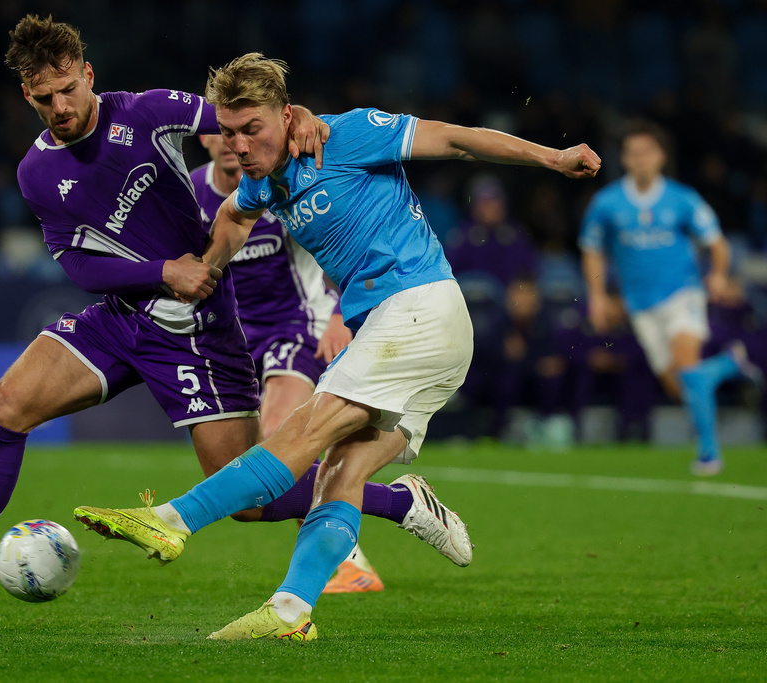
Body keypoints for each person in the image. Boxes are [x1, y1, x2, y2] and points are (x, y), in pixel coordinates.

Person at [0, 16, 425, 624]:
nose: (59, 106)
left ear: (89, 76)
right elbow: (79, 261)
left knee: (248, 496)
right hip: (121, 317)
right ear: (27, 97)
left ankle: (397, 501)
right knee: (2, 407)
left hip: (196, 330)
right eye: (44, 98)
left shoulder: (147, 112)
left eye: (67, 90)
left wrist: (304, 114)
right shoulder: (36, 173)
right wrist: (162, 271)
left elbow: (245, 119)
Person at [74, 52, 601, 641]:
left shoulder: (346, 134)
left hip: (419, 308)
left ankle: (171, 519)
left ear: (286, 116)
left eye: (253, 129)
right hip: (400, 329)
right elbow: (232, 215)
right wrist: (211, 267)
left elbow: (454, 140)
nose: (241, 145)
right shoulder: (262, 181)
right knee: (340, 473)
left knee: (301, 435)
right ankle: (291, 613)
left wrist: (551, 157)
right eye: (228, 132)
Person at [191, 135, 381, 593]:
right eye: (218, 130)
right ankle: (353, 528)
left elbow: (334, 245)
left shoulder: (276, 183)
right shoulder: (193, 191)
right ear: (203, 136)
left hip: (299, 322)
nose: (228, 142)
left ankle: (348, 559)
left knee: (280, 431)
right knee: (244, 465)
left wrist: (339, 313)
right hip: (234, 336)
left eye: (237, 131)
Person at [579, 119, 762, 476]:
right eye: (633, 153)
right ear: (625, 159)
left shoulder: (682, 198)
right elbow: (591, 249)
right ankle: (728, 364)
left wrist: (718, 273)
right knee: (678, 386)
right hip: (640, 305)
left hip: (683, 293)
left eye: (647, 152)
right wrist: (597, 295)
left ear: (661, 156)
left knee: (688, 366)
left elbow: (717, 243)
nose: (640, 159)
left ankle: (709, 453)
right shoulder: (607, 203)